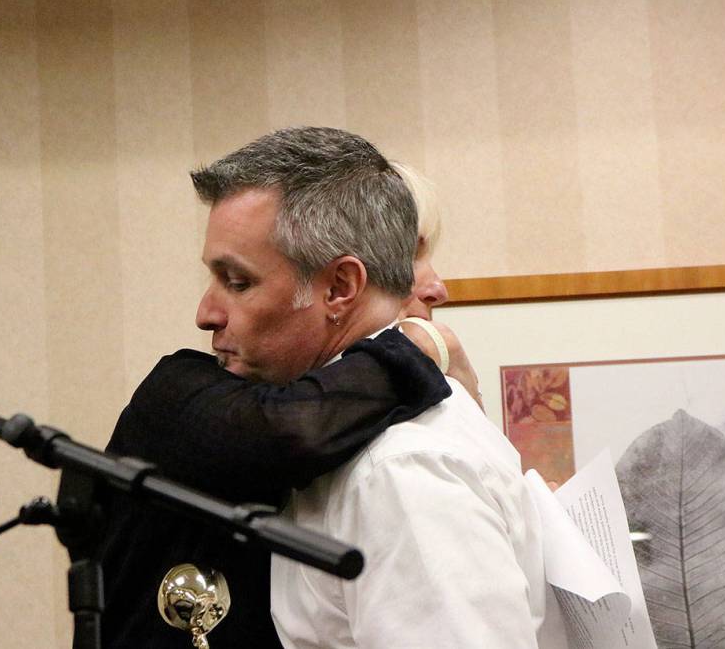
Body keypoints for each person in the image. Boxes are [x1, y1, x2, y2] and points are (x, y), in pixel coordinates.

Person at [188, 127, 559, 648]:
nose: (206, 313)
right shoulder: (348, 441)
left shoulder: (402, 467)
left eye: (238, 282)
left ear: (339, 288)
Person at [99, 155, 469, 647]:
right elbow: (288, 431)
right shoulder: (177, 395)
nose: (434, 285)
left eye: (237, 281)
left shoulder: (404, 442)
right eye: (410, 258)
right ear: (347, 287)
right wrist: (424, 348)